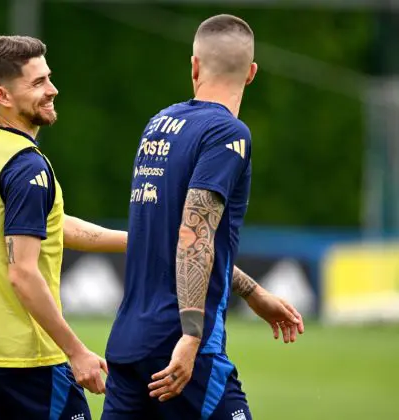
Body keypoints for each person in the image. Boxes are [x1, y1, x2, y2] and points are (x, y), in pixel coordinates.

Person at [102, 14, 305, 420]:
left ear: (193, 66)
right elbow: (194, 235)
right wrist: (192, 336)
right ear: (251, 74)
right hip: (180, 347)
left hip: (128, 342)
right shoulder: (229, 133)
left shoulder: (158, 125)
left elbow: (177, 238)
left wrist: (252, 292)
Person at [0, 35, 127, 420]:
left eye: (49, 77)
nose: (52, 90)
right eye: (38, 83)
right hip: (26, 360)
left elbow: (50, 225)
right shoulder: (27, 167)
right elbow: (23, 274)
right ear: (3, 95)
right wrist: (77, 352)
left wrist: (137, 241)